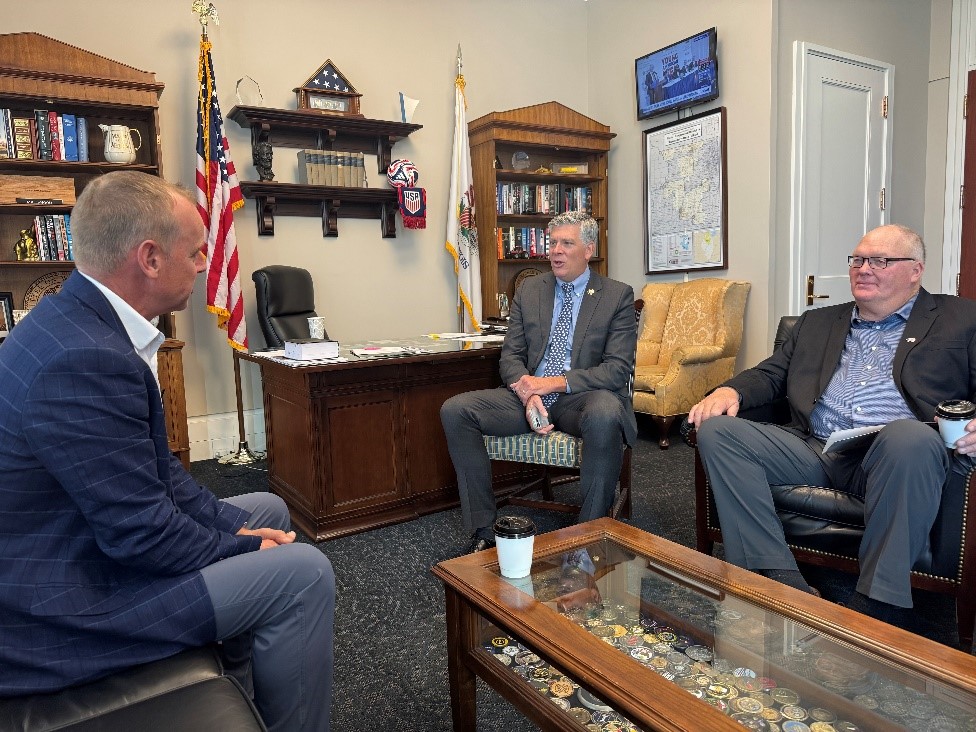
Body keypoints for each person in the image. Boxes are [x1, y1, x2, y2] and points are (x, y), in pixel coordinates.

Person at [0, 171, 334, 732]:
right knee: (303, 574)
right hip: (63, 605)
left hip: (84, 545)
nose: (207, 264)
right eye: (197, 251)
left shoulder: (79, 325)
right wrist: (238, 549)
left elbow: (162, 478)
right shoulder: (83, 361)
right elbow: (141, 534)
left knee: (267, 511)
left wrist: (237, 530)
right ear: (149, 258)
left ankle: (241, 686)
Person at [689, 224, 976, 627]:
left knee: (908, 436)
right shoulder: (818, 322)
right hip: (817, 446)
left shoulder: (960, 319)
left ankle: (876, 605)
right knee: (717, 431)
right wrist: (730, 391)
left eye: (880, 260)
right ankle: (780, 580)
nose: (864, 269)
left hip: (896, 455)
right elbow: (771, 374)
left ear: (916, 270)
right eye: (858, 259)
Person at [441, 210, 637, 554]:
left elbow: (617, 371)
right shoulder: (531, 290)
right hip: (529, 397)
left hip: (581, 399)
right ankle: (484, 529)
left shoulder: (615, 295)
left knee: (607, 411)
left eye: (567, 243)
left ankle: (588, 537)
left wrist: (550, 384)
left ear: (588, 249)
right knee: (456, 410)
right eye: (552, 243)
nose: (556, 251)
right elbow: (511, 356)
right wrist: (526, 392)